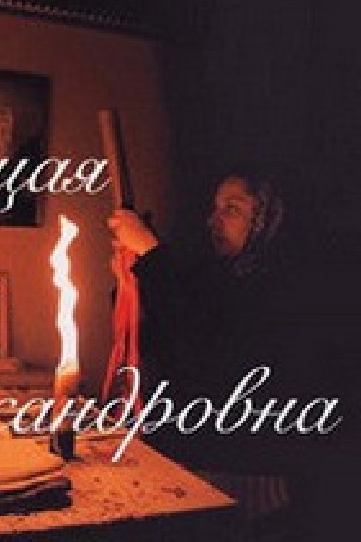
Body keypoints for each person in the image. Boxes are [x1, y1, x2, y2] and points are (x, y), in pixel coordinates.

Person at [108, 171, 311, 537]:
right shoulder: (216, 277)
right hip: (198, 461)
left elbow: (209, 351)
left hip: (252, 476)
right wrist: (133, 279)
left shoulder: (285, 290)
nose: (213, 220)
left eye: (231, 209)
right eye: (215, 208)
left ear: (268, 219)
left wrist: (151, 254)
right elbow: (167, 344)